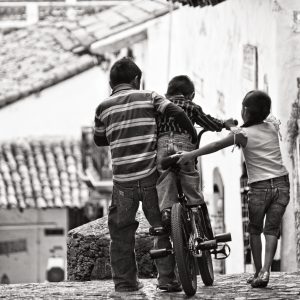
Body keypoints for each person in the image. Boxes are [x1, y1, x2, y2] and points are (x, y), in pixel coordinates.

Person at [93, 58, 198, 293]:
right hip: (152, 177)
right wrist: (191, 131)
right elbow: (174, 109)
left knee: (120, 233)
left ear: (111, 83)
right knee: (161, 227)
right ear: (136, 80)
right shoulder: (149, 96)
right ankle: (167, 279)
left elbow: (99, 139)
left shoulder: (103, 107)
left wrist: (118, 131)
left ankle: (125, 283)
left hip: (122, 183)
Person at [177, 90, 290, 288]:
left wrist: (190, 154)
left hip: (260, 186)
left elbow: (216, 145)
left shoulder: (243, 135)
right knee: (272, 229)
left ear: (245, 110)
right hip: (281, 184)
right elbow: (268, 115)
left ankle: (257, 272)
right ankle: (266, 271)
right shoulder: (272, 126)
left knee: (255, 230)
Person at [156, 75, 235, 229]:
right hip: (183, 143)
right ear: (191, 95)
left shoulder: (161, 105)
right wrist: (224, 124)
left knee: (164, 175)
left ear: (168, 93)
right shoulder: (191, 106)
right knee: (189, 173)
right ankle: (195, 207)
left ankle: (166, 210)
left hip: (163, 144)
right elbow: (208, 122)